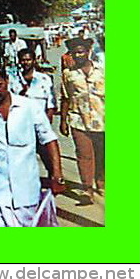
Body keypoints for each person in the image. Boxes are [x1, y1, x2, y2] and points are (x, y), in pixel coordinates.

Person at [0, 62, 65, 226]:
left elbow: (49, 139)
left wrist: (57, 174)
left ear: (6, 80)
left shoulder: (29, 107)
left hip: (26, 193)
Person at [60, 38, 105, 204]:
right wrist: (63, 121)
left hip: (102, 120)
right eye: (75, 52)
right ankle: (87, 190)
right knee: (84, 155)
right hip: (78, 120)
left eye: (81, 51)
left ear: (88, 52)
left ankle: (101, 182)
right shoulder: (68, 74)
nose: (78, 55)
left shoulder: (102, 70)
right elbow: (65, 98)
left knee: (102, 154)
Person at [16, 48, 56, 122]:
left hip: (40, 118)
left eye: (28, 60)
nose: (25, 62)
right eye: (23, 60)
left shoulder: (44, 79)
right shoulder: (14, 79)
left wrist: (48, 118)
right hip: (21, 119)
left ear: (34, 61)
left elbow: (51, 102)